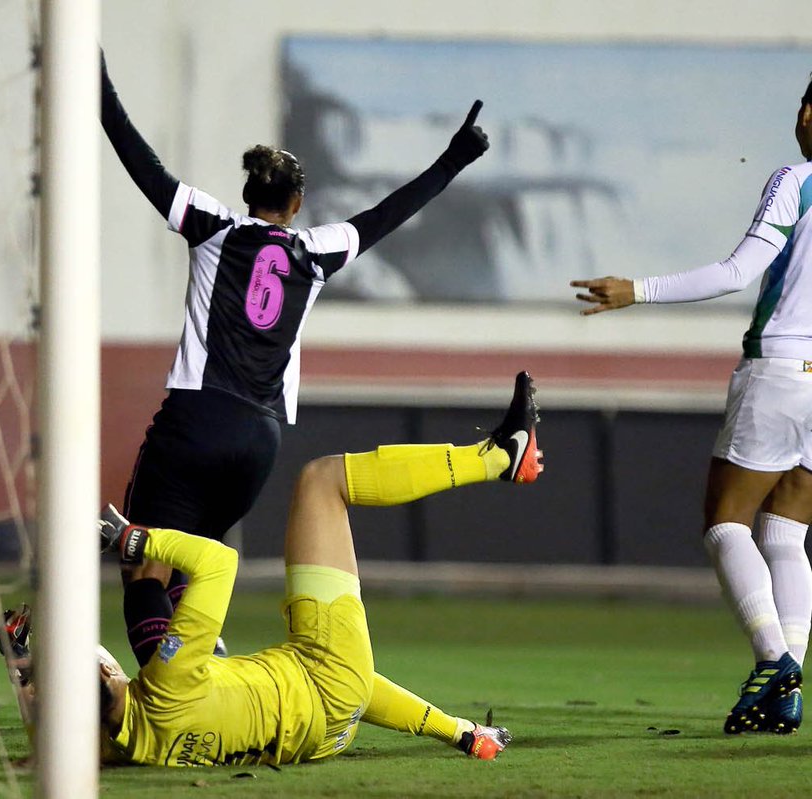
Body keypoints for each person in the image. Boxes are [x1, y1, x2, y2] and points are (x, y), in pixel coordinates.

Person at [101, 52, 492, 665]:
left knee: (144, 564)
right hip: (258, 441)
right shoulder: (317, 252)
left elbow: (138, 159)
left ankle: (168, 701)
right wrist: (454, 158)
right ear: (298, 204)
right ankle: (203, 667)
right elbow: (389, 213)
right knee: (193, 558)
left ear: (247, 194)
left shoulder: (212, 227)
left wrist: (96, 87)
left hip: (197, 422)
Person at [80, 371, 540, 767]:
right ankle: (500, 457)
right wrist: (127, 536)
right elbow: (220, 562)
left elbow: (353, 686)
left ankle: (465, 735)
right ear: (106, 678)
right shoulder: (168, 679)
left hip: (325, 737)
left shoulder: (136, 747)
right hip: (324, 681)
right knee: (322, 481)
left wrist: (458, 732)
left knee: (329, 673)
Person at [570, 74, 812, 734]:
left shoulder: (797, 180)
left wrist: (637, 290)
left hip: (782, 370)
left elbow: (739, 271)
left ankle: (776, 663)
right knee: (787, 532)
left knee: (725, 520)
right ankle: (786, 694)